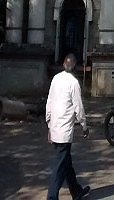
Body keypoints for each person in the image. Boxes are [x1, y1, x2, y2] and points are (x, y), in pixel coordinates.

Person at [45, 53, 90, 200]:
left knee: (65, 161)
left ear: (64, 64)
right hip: (64, 131)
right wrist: (84, 125)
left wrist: (49, 124)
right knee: (59, 165)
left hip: (55, 127)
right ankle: (52, 197)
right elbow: (79, 107)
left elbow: (49, 102)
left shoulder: (56, 79)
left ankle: (76, 191)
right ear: (76, 67)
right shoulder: (74, 83)